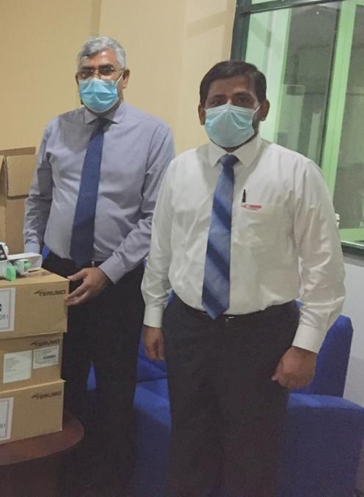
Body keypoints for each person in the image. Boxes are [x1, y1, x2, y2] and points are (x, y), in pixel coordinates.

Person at [142, 60, 346, 497]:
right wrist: (153, 316)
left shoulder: (296, 172)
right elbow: (162, 249)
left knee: (252, 459)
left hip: (261, 336)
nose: (228, 109)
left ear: (262, 108)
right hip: (189, 328)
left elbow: (324, 269)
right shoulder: (180, 170)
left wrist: (306, 347)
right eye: (217, 101)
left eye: (241, 100)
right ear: (201, 111)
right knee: (188, 449)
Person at [24, 36, 175, 496]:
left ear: (124, 78)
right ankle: (59, 481)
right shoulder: (57, 129)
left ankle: (108, 485)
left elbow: (154, 217)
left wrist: (108, 271)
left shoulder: (154, 134)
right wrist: (31, 259)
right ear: (76, 79)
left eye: (106, 71)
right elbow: (38, 199)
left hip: (119, 282)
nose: (96, 80)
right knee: (56, 384)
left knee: (113, 393)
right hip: (56, 274)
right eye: (87, 73)